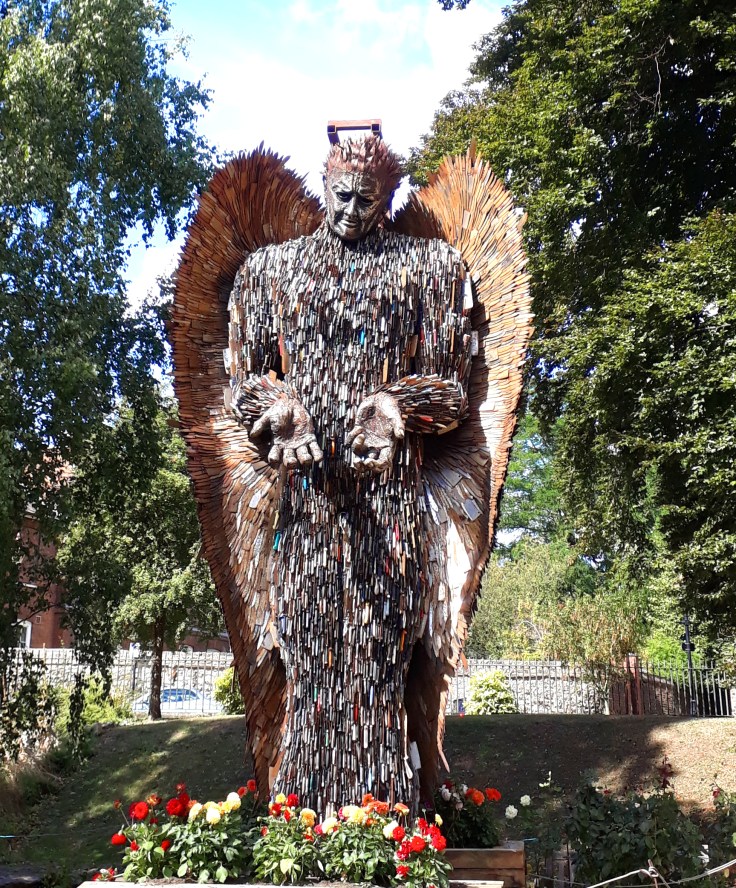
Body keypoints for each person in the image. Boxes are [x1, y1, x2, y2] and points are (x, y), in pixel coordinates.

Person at [227, 135, 472, 810]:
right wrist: (278, 407)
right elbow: (239, 382)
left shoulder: (428, 269)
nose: (350, 211)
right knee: (308, 656)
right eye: (341, 195)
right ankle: (301, 821)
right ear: (324, 181)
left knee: (378, 661)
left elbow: (453, 389)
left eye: (367, 200)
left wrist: (397, 407)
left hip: (388, 509)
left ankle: (387, 823)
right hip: (304, 509)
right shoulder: (271, 273)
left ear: (388, 200)